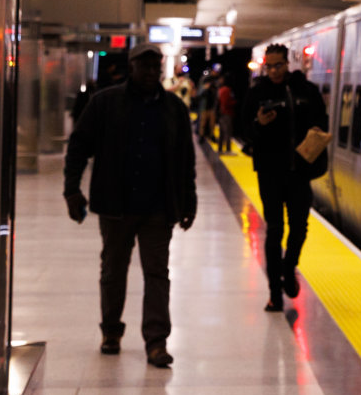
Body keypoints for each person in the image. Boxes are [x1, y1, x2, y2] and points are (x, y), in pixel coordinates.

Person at [62, 44, 197, 368]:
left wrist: (188, 200)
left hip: (159, 208)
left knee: (157, 274)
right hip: (115, 205)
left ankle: (156, 342)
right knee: (112, 272)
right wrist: (72, 190)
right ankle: (111, 332)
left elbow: (185, 160)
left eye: (156, 66)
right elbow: (79, 147)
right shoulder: (105, 103)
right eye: (145, 66)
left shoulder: (174, 108)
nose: (152, 72)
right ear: (132, 68)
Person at [240, 43, 328, 311]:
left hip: (300, 172)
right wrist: (258, 125)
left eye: (279, 65)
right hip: (270, 173)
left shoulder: (306, 91)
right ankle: (274, 293)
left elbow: (323, 122)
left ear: (288, 64)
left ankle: (289, 268)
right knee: (275, 230)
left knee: (300, 227)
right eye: (270, 66)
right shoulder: (258, 93)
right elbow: (244, 130)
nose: (274, 71)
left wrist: (317, 132)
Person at [216, 77, 237, 154]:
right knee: (228, 131)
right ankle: (228, 150)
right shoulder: (227, 90)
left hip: (221, 113)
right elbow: (226, 103)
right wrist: (234, 102)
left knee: (222, 132)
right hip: (227, 113)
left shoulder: (221, 89)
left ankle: (220, 149)